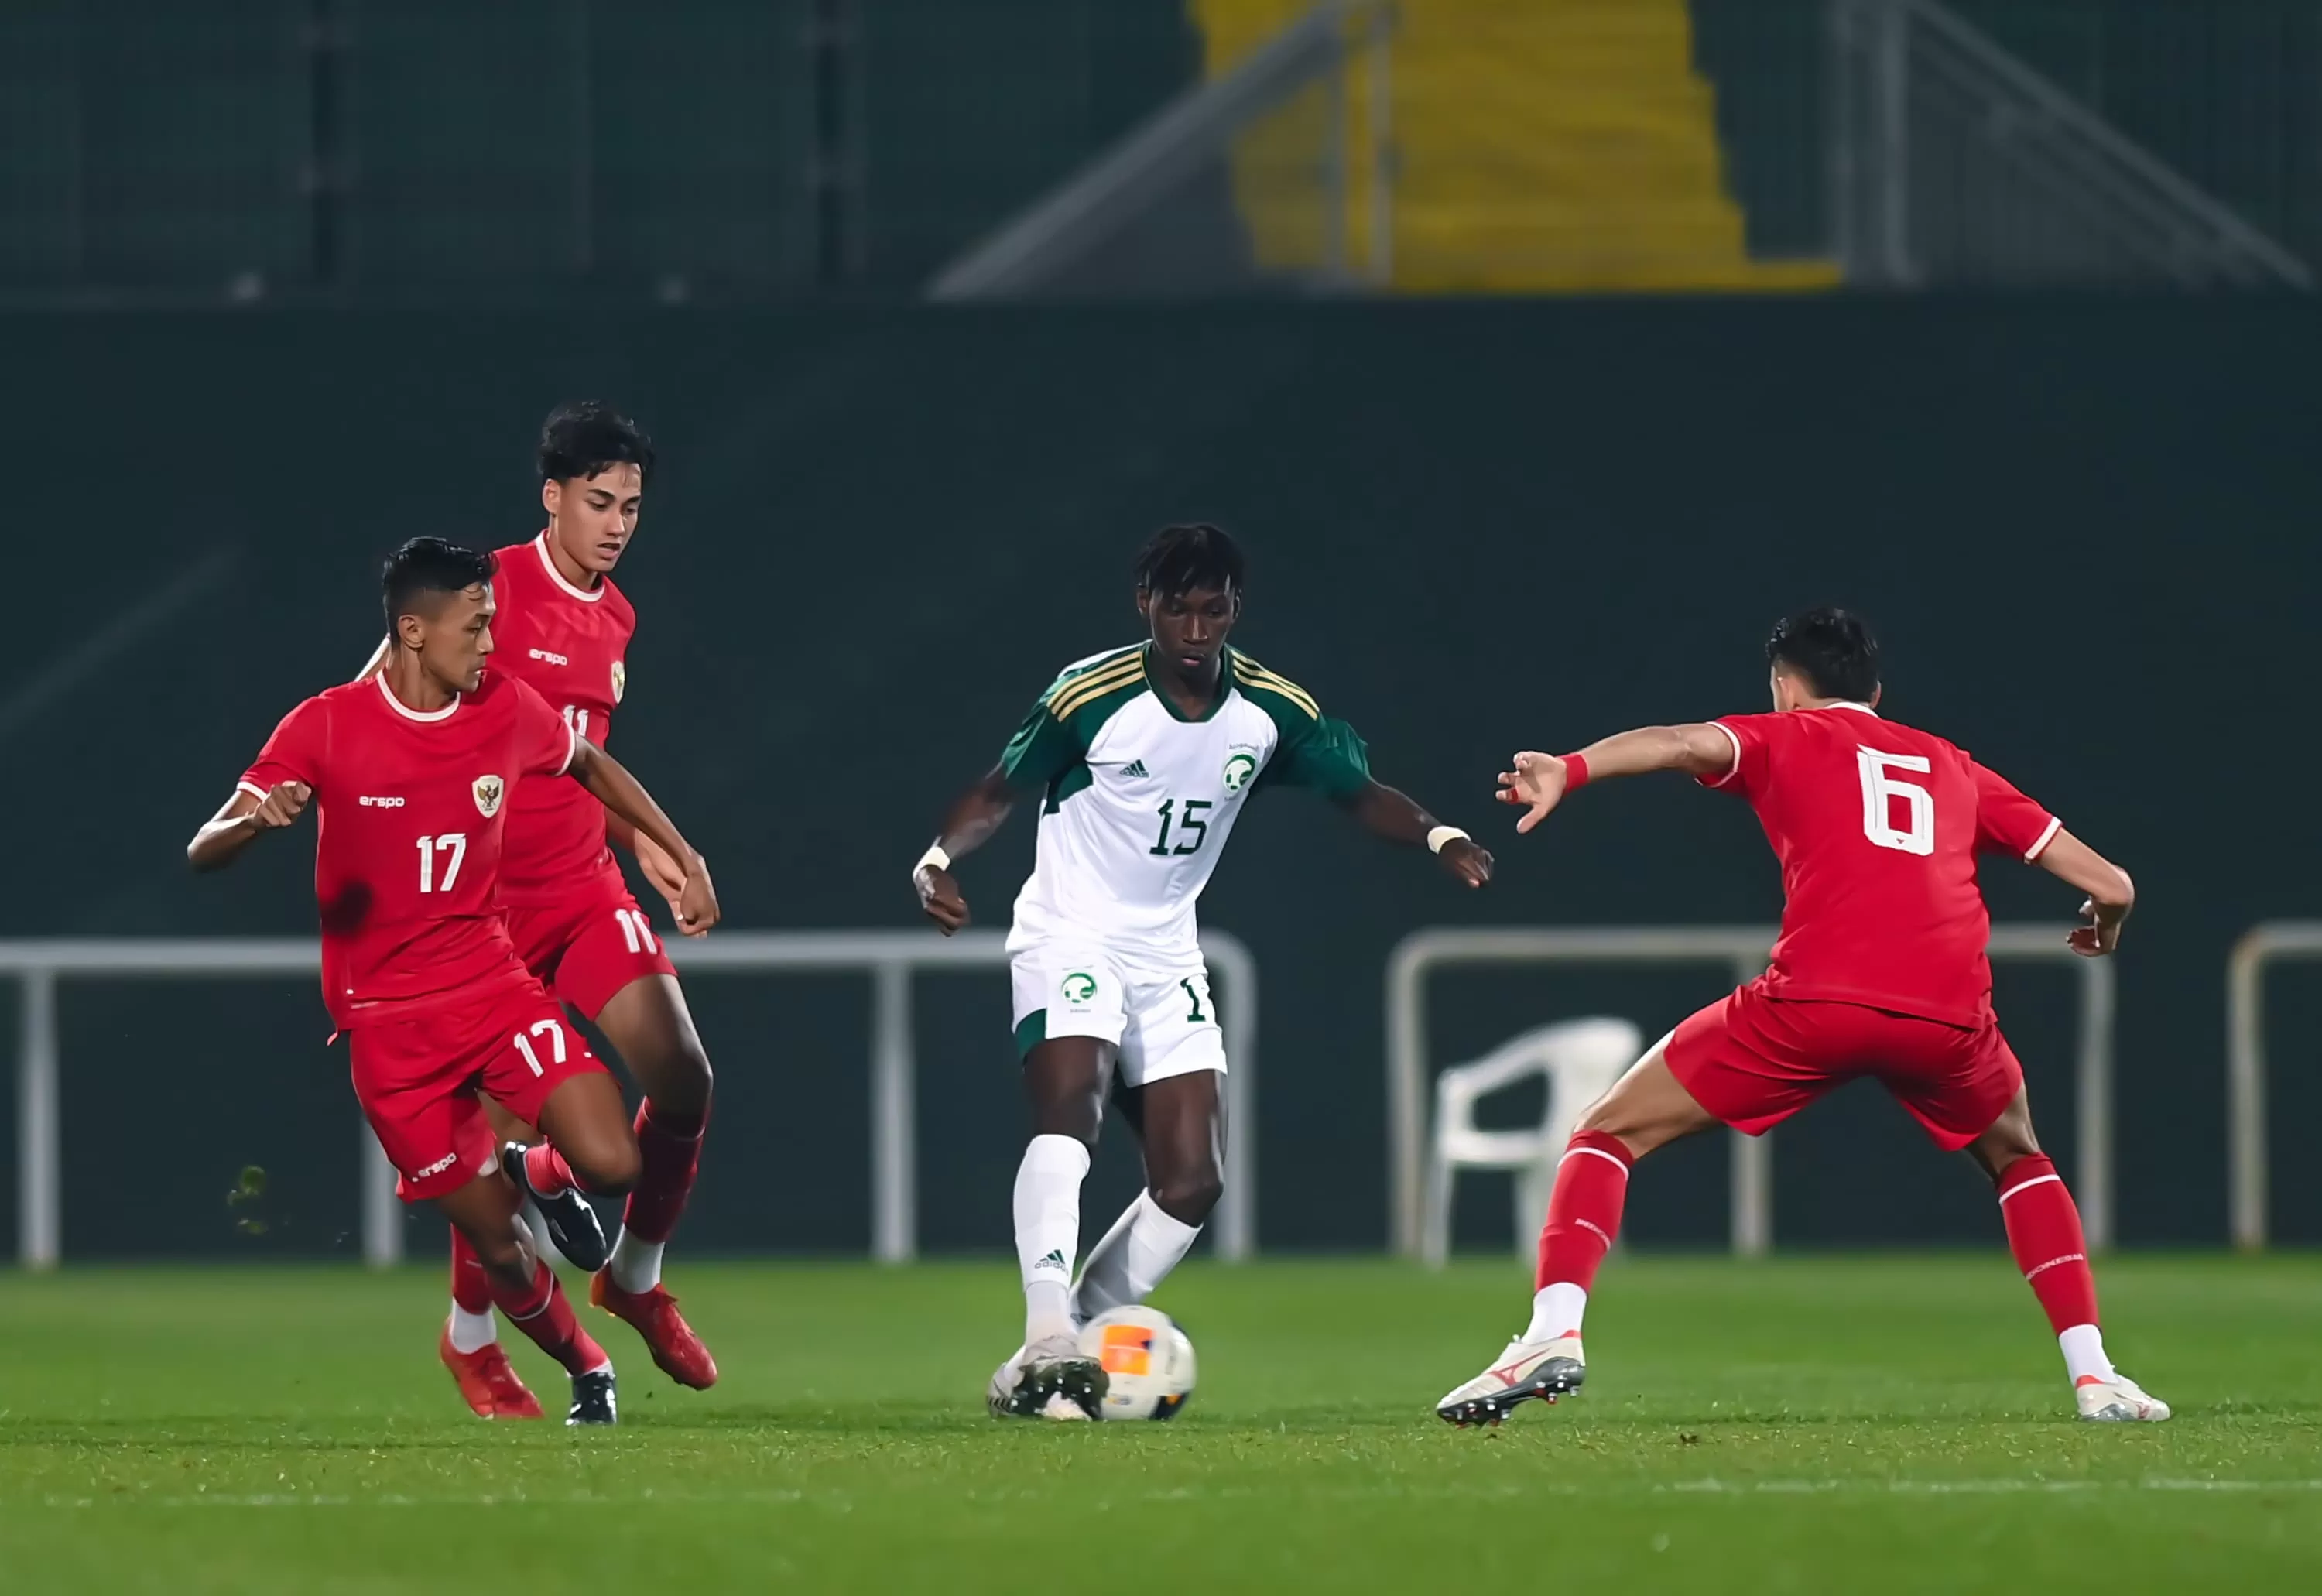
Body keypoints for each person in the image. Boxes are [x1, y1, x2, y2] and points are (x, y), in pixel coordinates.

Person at [1435, 607, 2167, 1427]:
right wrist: (2102, 932)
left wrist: (1571, 768)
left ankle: (1549, 1332)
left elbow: (1680, 744)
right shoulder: (1951, 765)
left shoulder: (1785, 736)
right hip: (1947, 1016)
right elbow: (2116, 885)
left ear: (1786, 686)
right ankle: (2096, 1374)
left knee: (1606, 1132)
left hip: (1815, 1001)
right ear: (1877, 690)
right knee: (2020, 1160)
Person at [912, 523, 1495, 1420]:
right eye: (1176, 607)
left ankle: (1056, 1353)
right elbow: (998, 789)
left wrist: (1437, 832)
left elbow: (1357, 787)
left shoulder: (1271, 711)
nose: (1195, 626)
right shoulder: (1091, 693)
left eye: (1212, 607)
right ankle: (1046, 1337)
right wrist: (939, 859)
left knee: (1191, 1182)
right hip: (1071, 930)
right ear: (1143, 605)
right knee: (1073, 1110)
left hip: (1167, 949)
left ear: (1235, 609)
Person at [190, 538, 720, 1426]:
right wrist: (254, 823)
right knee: (498, 1246)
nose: (489, 643)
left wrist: (676, 846)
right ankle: (585, 1368)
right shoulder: (326, 724)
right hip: (389, 1034)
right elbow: (206, 845)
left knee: (615, 1161)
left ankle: (540, 1173)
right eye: (476, 627)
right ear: (412, 630)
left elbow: (588, 763)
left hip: (493, 990)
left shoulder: (506, 707)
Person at [353, 405, 720, 1413]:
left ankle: (634, 1282)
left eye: (632, 506)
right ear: (551, 495)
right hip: (483, 913)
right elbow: (376, 695)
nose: (617, 523)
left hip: (581, 887)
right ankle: (472, 1338)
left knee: (683, 1074)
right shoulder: (495, 589)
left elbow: (583, 761)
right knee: (494, 1157)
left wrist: (658, 853)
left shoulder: (617, 618)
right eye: (599, 501)